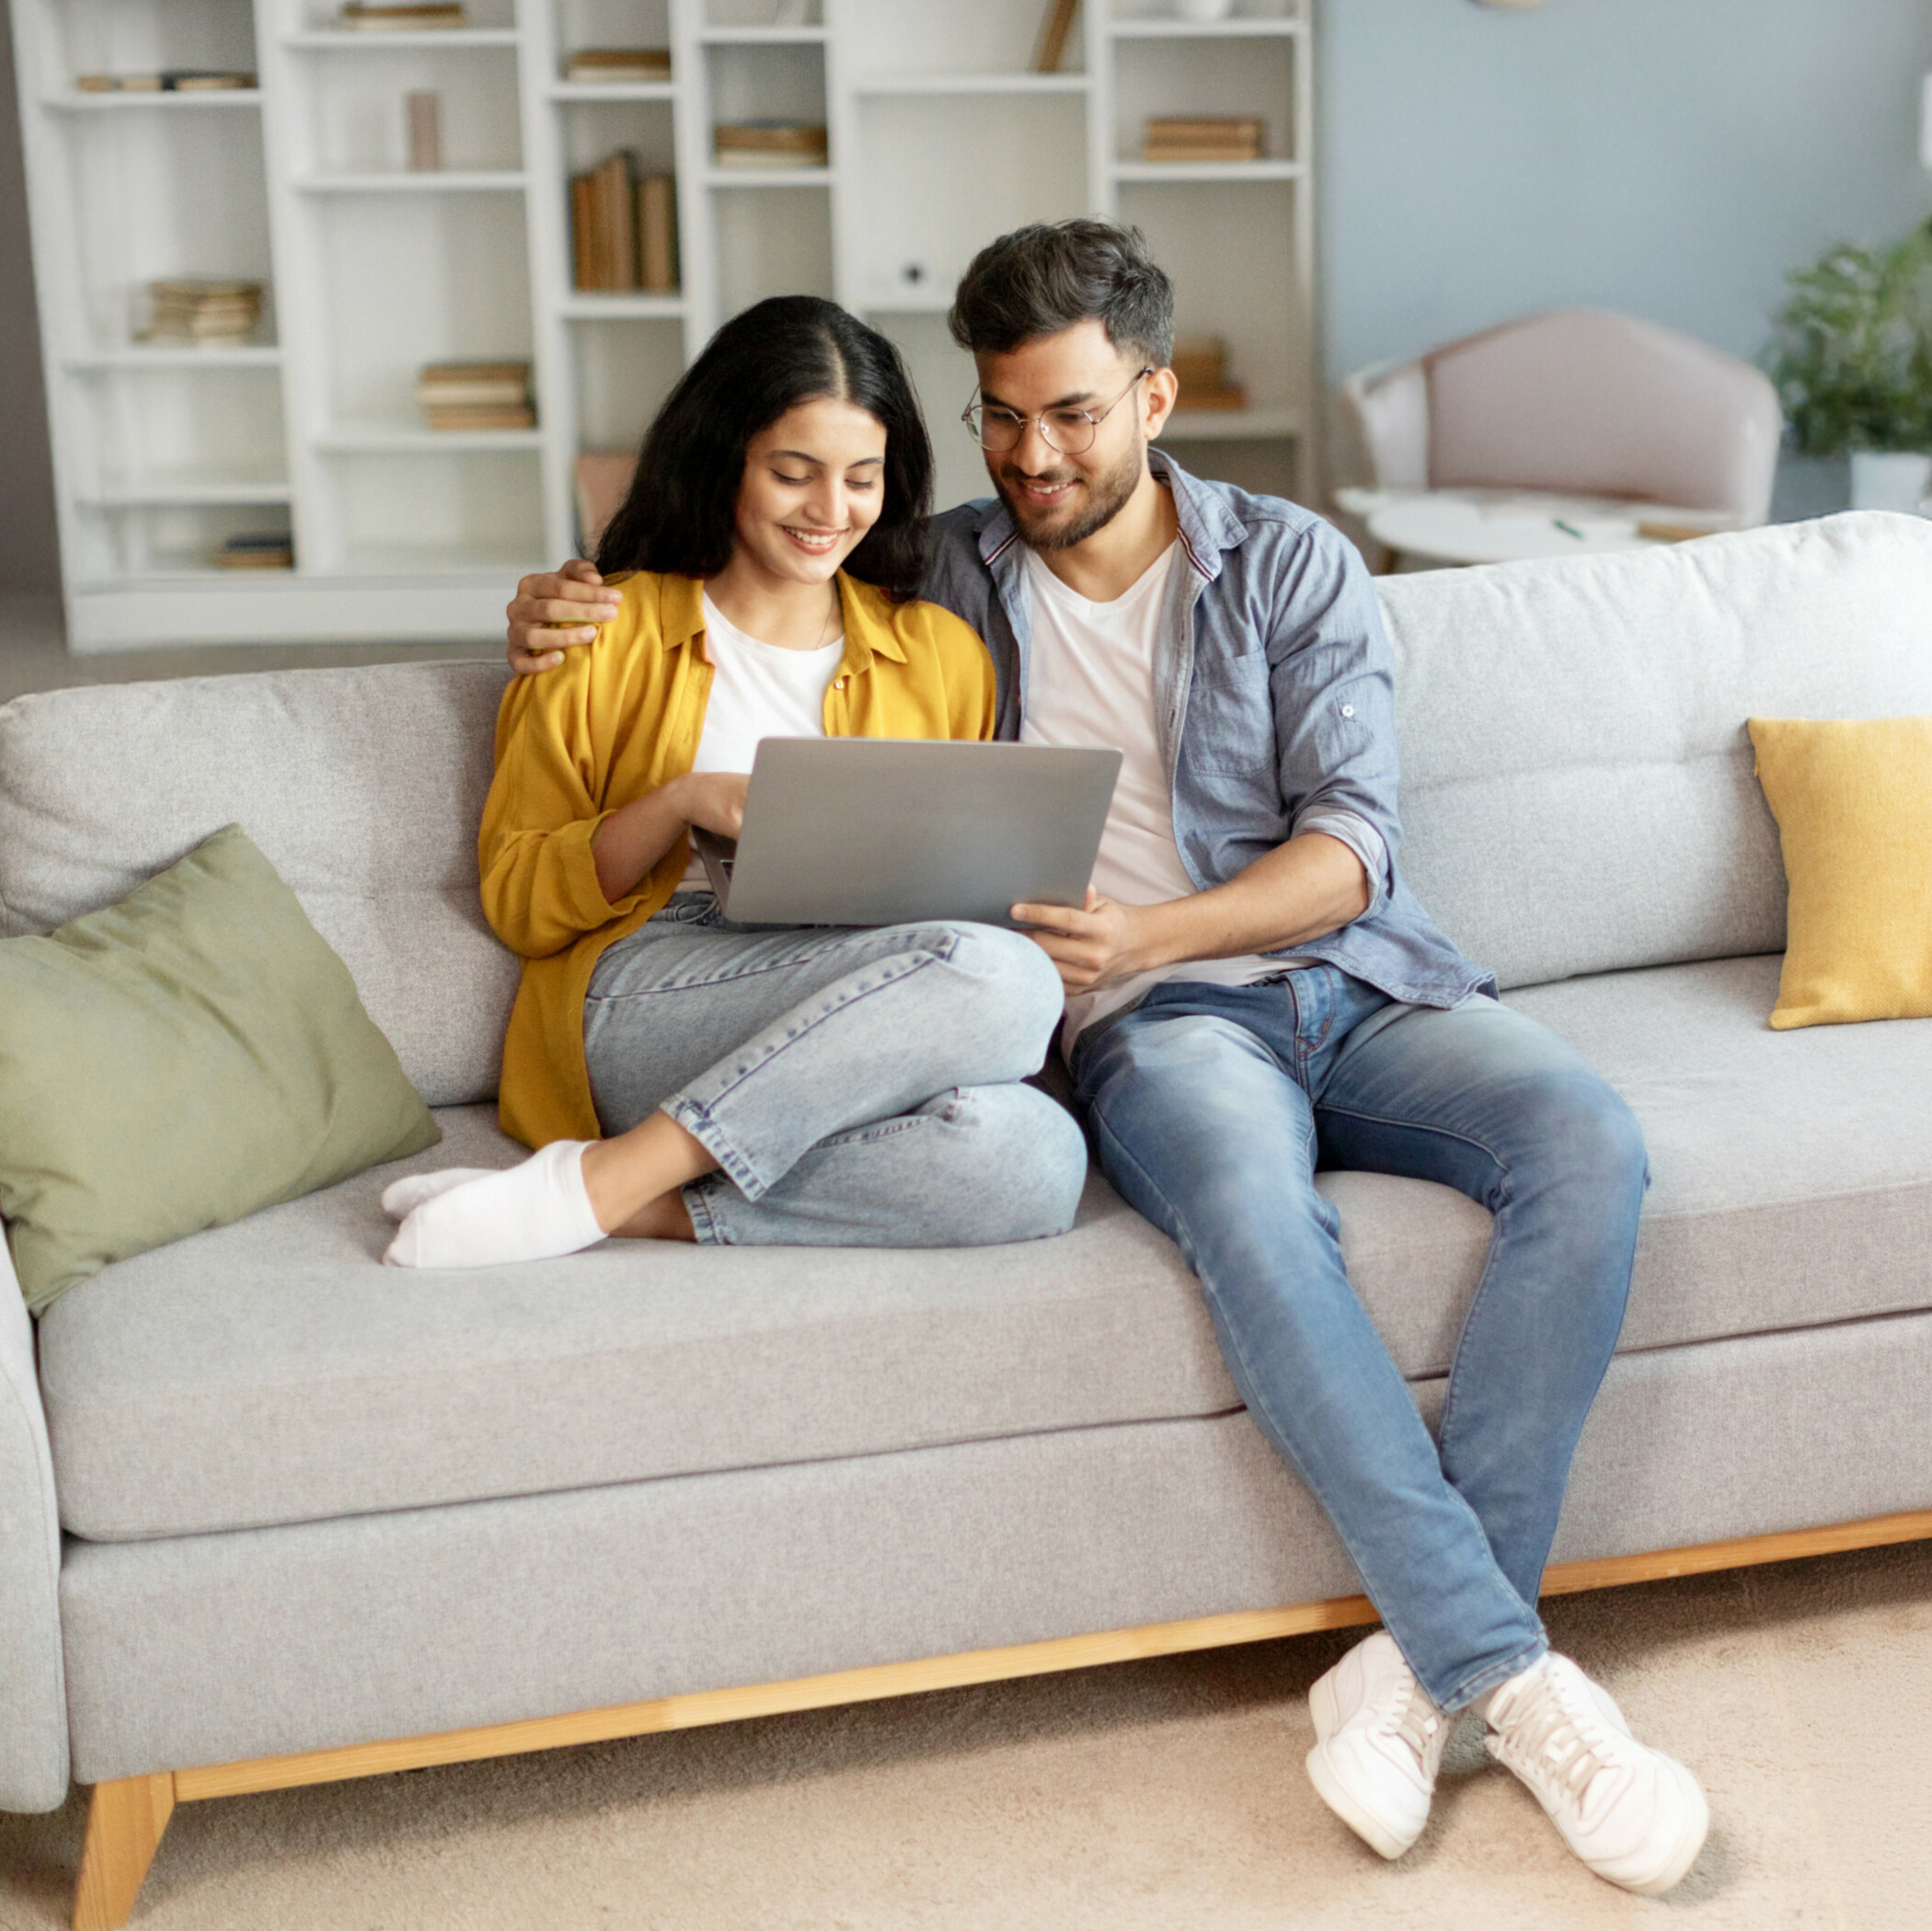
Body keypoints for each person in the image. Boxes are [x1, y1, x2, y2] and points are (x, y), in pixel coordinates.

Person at [500, 226, 1708, 1896]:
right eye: (1001, 418)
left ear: (1153, 392)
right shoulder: (942, 580)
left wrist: (1154, 926)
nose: (1034, 456)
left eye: (1069, 414)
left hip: (1352, 978)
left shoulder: (1288, 562)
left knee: (1587, 1135)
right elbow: (757, 562)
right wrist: (551, 591)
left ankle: (1441, 1659)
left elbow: (1353, 848)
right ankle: (1521, 1681)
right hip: (1153, 1033)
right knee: (1255, 1209)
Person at [385, 294, 1085, 1270]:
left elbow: (962, 907)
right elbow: (518, 900)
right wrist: (678, 802)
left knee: (1037, 1156)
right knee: (999, 977)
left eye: (861, 478)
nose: (828, 512)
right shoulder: (600, 628)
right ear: (728, 462)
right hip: (648, 986)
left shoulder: (941, 654)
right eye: (792, 473)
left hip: (857, 982)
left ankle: (612, 1194)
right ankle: (616, 1169)